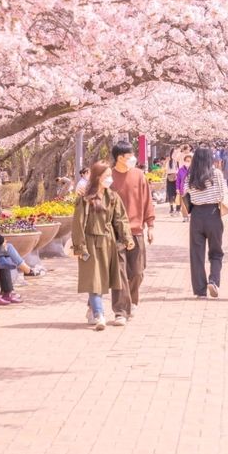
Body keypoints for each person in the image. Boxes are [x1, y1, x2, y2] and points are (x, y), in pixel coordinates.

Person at [72, 161, 134, 331]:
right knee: (94, 280)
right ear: (97, 177)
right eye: (106, 176)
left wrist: (127, 238)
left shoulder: (112, 197)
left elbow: (120, 219)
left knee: (115, 278)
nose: (109, 179)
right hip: (91, 242)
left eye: (110, 176)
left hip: (109, 242)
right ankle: (99, 314)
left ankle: (115, 312)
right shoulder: (85, 199)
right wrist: (80, 246)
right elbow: (78, 223)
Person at [108, 141, 155, 325]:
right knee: (119, 274)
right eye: (129, 156)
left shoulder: (138, 175)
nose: (132, 159)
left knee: (137, 272)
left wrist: (150, 225)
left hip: (136, 231)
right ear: (120, 158)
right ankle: (120, 311)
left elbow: (147, 201)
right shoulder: (109, 177)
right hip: (115, 232)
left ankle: (132, 301)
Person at [0, 186, 46, 278]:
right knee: (8, 248)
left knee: (6, 247)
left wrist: (0, 240)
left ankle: (26, 270)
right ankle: (27, 271)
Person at [184, 146, 226, 299]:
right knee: (216, 252)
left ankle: (200, 290)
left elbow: (185, 193)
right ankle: (213, 280)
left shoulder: (190, 175)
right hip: (213, 214)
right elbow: (222, 194)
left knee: (196, 254)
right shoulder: (216, 174)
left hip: (196, 215)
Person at [176, 152, 192, 222]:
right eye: (186, 161)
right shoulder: (181, 170)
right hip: (183, 188)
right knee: (184, 203)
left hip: (192, 189)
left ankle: (191, 216)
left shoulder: (194, 170)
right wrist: (177, 188)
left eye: (189, 161)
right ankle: (185, 217)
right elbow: (178, 180)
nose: (187, 162)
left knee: (191, 203)